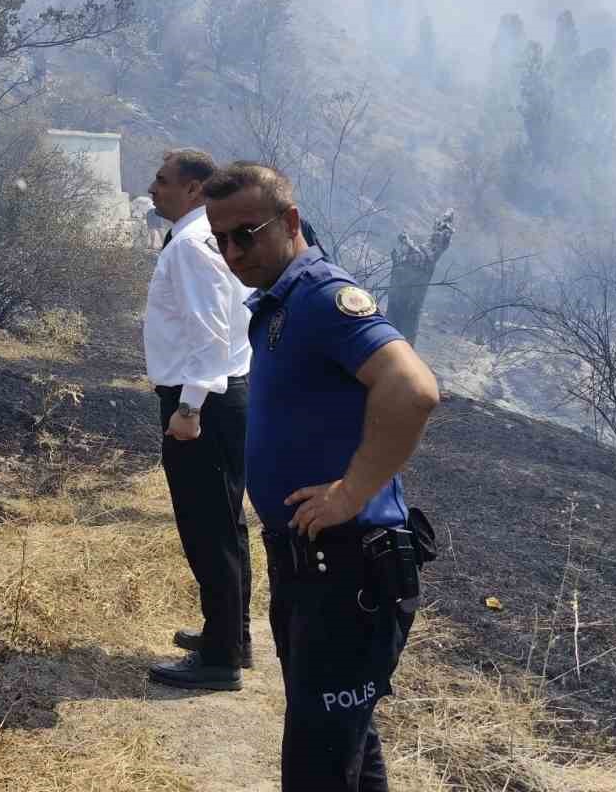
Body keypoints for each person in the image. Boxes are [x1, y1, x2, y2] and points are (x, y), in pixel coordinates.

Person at [202, 162, 439, 792]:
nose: (231, 252)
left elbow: (412, 389)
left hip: (349, 568)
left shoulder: (322, 297)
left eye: (244, 235)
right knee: (347, 741)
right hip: (311, 565)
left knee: (316, 763)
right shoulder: (282, 299)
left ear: (291, 222)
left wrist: (351, 490)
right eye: (217, 239)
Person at [141, 149, 255, 693]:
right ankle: (231, 635)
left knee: (207, 529)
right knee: (225, 524)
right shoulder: (203, 239)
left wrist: (189, 408)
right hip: (222, 392)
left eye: (162, 181)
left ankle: (219, 658)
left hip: (203, 401)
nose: (151, 188)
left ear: (192, 189)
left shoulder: (191, 244)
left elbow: (209, 332)